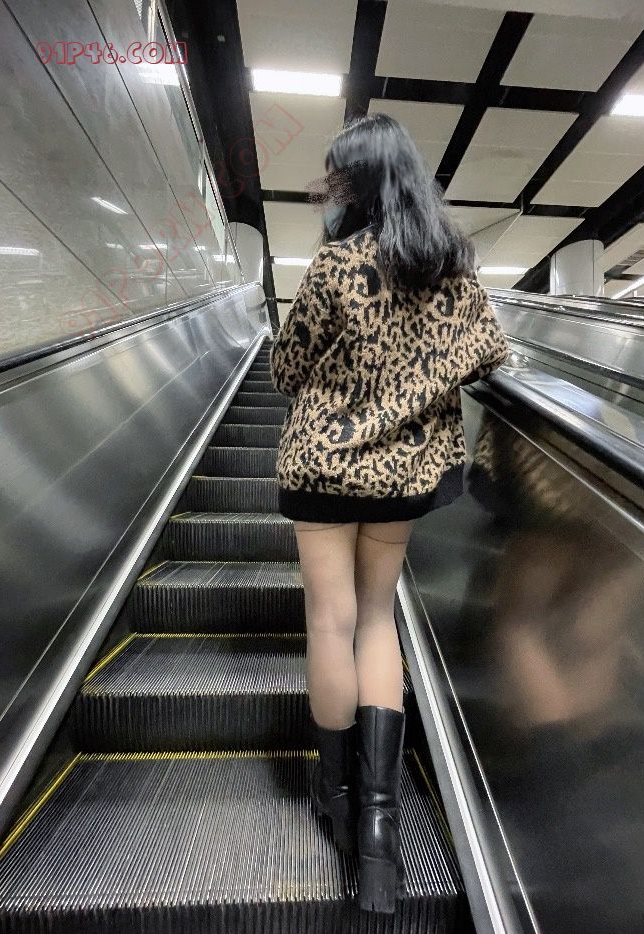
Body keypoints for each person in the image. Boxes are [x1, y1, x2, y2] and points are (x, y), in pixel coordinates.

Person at [269, 113, 509, 914]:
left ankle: (338, 802)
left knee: (329, 622)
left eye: (338, 174)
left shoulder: (334, 265)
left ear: (357, 180)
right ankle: (381, 834)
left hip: (324, 465)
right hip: (402, 473)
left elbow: (287, 370)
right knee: (377, 620)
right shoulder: (452, 271)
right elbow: (489, 349)